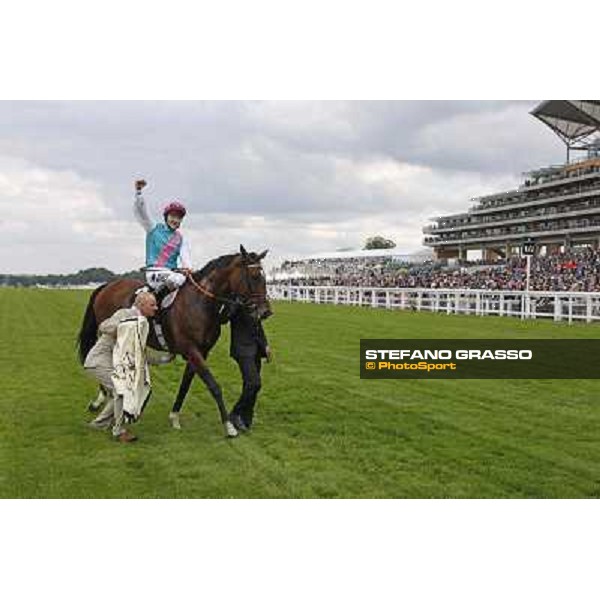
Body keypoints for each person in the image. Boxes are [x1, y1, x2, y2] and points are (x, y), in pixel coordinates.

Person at [84, 292, 158, 442]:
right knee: (122, 388)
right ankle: (118, 431)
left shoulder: (143, 323)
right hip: (97, 361)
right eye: (152, 305)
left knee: (120, 391)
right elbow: (104, 326)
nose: (156, 308)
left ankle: (99, 424)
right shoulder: (126, 313)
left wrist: (166, 358)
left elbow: (141, 353)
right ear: (141, 305)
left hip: (109, 362)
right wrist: (125, 327)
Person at [133, 179, 193, 301]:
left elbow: (185, 258)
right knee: (175, 279)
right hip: (154, 274)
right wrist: (139, 193)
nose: (175, 220)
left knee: (184, 280)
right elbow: (141, 211)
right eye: (172, 216)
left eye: (178, 218)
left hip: (172, 274)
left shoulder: (181, 238)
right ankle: (150, 297)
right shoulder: (153, 228)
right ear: (166, 217)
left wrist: (188, 268)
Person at [221, 299, 272, 432]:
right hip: (242, 349)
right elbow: (223, 319)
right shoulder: (235, 300)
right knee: (254, 383)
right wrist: (234, 304)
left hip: (256, 348)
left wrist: (265, 345)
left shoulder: (253, 298)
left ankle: (246, 419)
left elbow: (258, 324)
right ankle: (234, 414)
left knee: (250, 386)